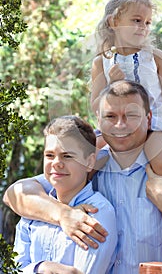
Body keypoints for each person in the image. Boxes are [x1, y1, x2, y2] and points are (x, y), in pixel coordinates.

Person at [4, 80, 162, 274]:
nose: (120, 125)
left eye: (131, 115)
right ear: (99, 121)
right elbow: (15, 195)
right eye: (111, 116)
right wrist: (64, 215)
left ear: (149, 118)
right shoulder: (87, 167)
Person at [91, 0, 162, 257]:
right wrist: (112, 86)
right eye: (136, 20)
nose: (143, 27)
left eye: (148, 22)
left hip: (156, 124)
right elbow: (96, 106)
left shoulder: (156, 57)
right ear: (114, 22)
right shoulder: (102, 62)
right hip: (119, 125)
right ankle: (82, 224)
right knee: (83, 153)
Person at [12, 115, 117, 274]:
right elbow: (13, 269)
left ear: (89, 162)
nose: (56, 163)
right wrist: (42, 267)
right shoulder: (33, 211)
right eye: (49, 155)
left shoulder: (97, 213)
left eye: (67, 156)